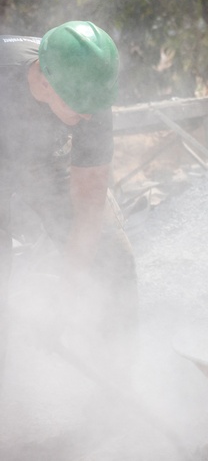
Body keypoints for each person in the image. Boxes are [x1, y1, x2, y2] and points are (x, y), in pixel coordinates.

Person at [0, 20, 137, 385]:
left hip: (44, 160)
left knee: (112, 255)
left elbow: (90, 207)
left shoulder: (90, 94)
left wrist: (66, 298)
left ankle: (116, 377)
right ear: (45, 83)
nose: (90, 117)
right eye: (80, 108)